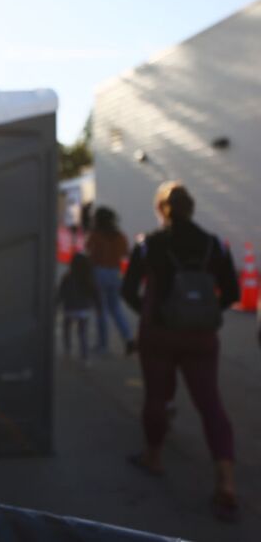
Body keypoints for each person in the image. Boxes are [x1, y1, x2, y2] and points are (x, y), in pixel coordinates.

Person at [121, 182, 240, 521]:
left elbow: (128, 290)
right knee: (210, 403)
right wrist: (205, 312)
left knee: (157, 396)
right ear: (192, 207)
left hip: (159, 334)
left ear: (162, 209)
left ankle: (153, 457)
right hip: (201, 337)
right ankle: (227, 481)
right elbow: (230, 291)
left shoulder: (149, 245)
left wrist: (151, 312)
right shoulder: (213, 245)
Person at [86, 206, 135, 354]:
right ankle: (128, 338)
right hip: (115, 273)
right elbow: (126, 253)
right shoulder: (120, 236)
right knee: (115, 308)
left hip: (99, 272)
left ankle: (103, 345)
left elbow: (90, 253)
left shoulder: (95, 235)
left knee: (102, 310)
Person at [56, 253, 99, 363]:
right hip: (84, 310)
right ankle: (85, 357)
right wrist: (98, 307)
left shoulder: (67, 278)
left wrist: (55, 305)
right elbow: (95, 294)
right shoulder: (89, 278)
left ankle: (67, 350)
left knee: (67, 328)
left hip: (69, 308)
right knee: (82, 333)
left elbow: (60, 294)